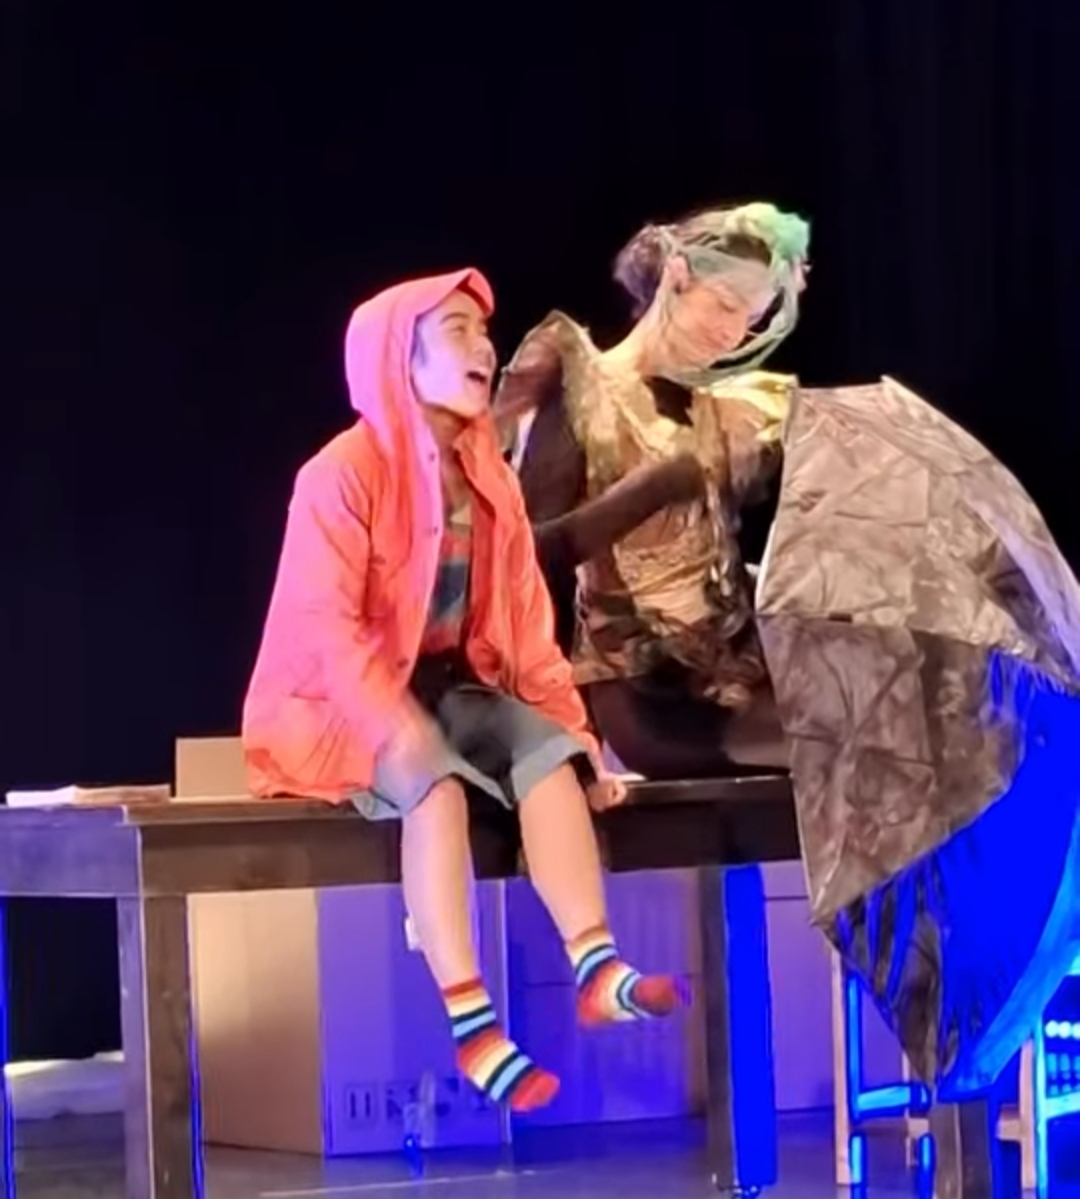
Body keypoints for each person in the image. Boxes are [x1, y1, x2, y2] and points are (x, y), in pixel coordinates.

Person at [241, 269, 679, 1114]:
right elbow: (325, 628)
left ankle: (596, 966)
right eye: (456, 331)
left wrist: (580, 738)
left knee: (551, 761)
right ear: (397, 358)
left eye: (484, 330)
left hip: (448, 685)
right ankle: (474, 1026)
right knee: (434, 789)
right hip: (340, 703)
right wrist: (394, 724)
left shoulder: (488, 478)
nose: (483, 346)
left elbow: (525, 625)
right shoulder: (340, 474)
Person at [494, 202, 810, 779]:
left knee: (882, 722)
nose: (732, 332)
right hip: (647, 692)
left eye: (751, 319)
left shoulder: (726, 409)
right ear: (677, 277)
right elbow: (524, 556)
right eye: (725, 304)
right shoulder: (584, 392)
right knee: (842, 754)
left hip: (737, 670)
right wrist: (652, 488)